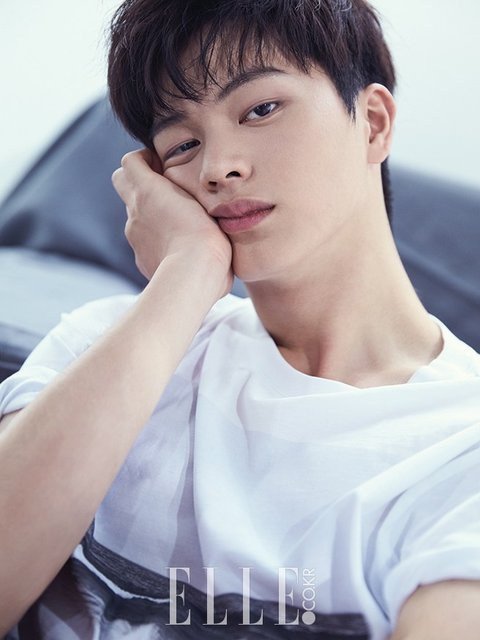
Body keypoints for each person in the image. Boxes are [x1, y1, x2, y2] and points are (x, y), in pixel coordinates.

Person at [1, 0, 480, 638]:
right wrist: (189, 273)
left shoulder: (460, 446)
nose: (217, 168)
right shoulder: (105, 340)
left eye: (261, 109)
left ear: (371, 123)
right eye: (183, 144)